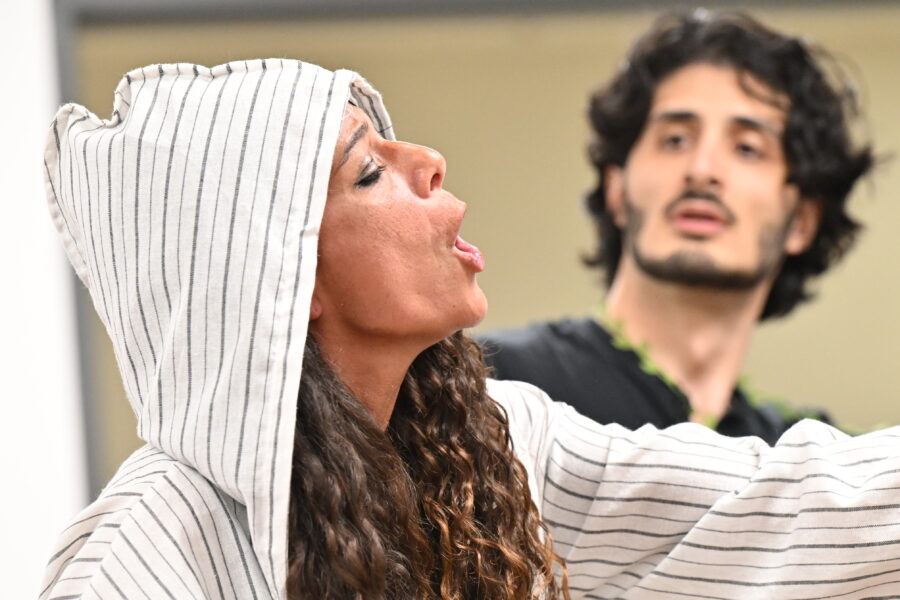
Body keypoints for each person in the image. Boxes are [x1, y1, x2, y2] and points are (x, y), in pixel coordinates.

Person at [39, 58, 900, 600]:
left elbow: (780, 508)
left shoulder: (495, 441)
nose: (428, 161)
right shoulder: (153, 542)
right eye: (369, 172)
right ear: (281, 275)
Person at [480, 10, 873, 444]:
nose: (702, 170)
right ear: (617, 190)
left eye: (747, 148)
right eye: (675, 140)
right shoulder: (489, 384)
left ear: (802, 221)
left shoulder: (807, 458)